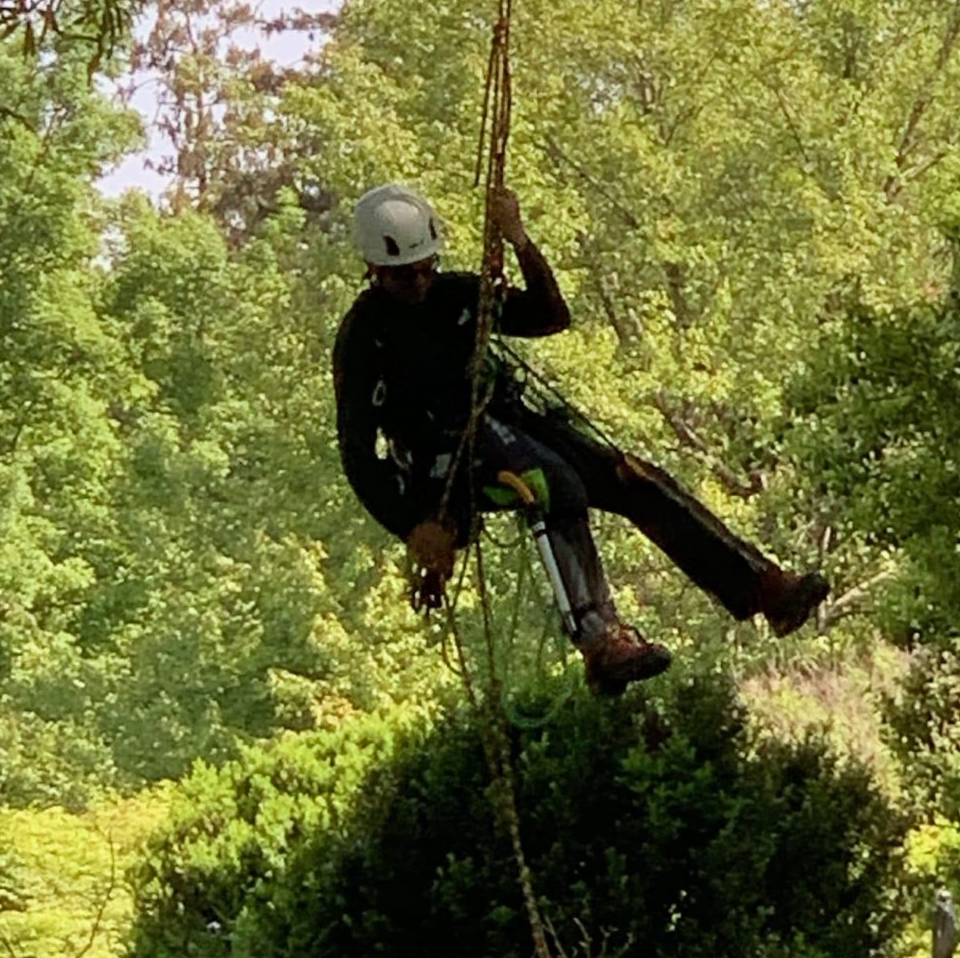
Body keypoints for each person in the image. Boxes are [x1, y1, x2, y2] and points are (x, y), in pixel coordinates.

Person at [332, 179, 829, 692]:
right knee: (555, 486)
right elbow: (356, 453)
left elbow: (550, 317)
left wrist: (520, 241)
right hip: (444, 463)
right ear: (374, 270)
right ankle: (599, 641)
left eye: (424, 268)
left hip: (507, 424)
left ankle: (763, 588)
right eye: (403, 275)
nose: (418, 282)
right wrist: (412, 525)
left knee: (630, 477)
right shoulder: (365, 337)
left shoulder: (453, 294)